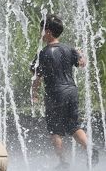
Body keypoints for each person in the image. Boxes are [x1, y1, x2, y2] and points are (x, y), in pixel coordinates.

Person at [31, 14, 99, 167]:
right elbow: (82, 63)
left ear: (48, 32)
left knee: (55, 130)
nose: (40, 33)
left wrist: (34, 94)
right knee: (73, 126)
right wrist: (80, 53)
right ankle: (90, 148)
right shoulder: (69, 48)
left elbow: (36, 77)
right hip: (71, 91)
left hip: (55, 93)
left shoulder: (42, 53)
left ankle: (63, 163)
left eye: (41, 30)